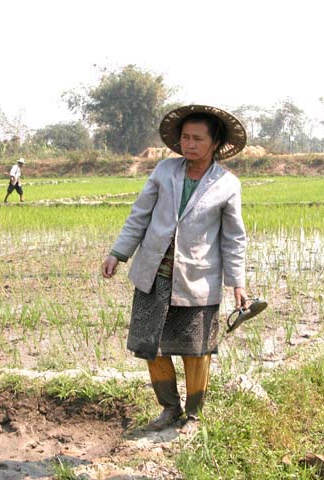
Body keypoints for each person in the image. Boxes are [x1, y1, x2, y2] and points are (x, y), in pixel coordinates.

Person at [101, 105, 249, 432]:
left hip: (198, 279)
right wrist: (118, 253)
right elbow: (139, 215)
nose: (190, 144)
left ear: (215, 144)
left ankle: (193, 415)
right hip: (155, 275)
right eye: (185, 138)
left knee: (197, 350)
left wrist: (237, 282)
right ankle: (169, 408)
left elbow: (234, 238)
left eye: (198, 139)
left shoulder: (226, 184)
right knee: (152, 345)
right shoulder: (164, 171)